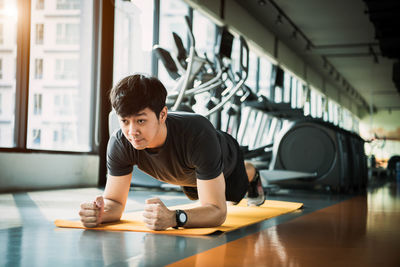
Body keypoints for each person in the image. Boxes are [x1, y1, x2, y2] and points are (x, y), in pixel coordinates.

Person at [79, 74, 265, 230]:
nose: (132, 131)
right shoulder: (120, 143)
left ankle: (251, 171)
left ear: (162, 115)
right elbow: (115, 203)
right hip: (186, 174)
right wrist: (100, 213)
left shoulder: (198, 134)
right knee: (196, 196)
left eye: (141, 121)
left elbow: (217, 211)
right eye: (125, 121)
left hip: (225, 160)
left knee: (231, 196)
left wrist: (174, 218)